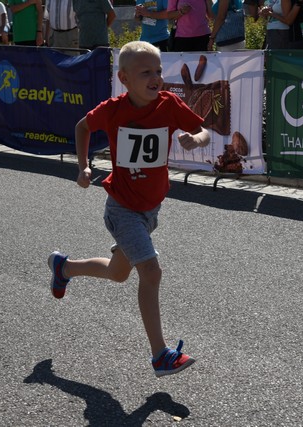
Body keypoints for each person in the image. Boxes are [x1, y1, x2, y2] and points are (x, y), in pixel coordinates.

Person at [48, 41, 209, 377]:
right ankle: (160, 355)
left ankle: (64, 268)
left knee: (117, 273)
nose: (156, 78)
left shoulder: (169, 104)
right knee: (151, 272)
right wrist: (83, 166)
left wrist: (196, 140)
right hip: (122, 208)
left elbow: (203, 131)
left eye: (158, 71)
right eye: (146, 72)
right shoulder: (114, 109)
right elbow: (82, 127)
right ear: (124, 78)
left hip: (151, 210)